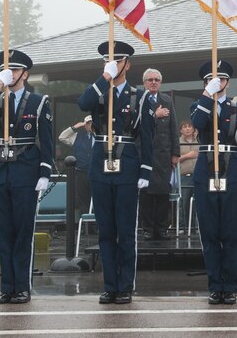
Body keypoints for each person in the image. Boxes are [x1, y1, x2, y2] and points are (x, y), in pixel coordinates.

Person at [0, 50, 54, 305]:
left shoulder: (38, 102)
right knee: (3, 233)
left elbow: (47, 141)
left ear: (25, 73)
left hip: (24, 171)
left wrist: (44, 172)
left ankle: (22, 286)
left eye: (14, 71)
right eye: (5, 71)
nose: (10, 75)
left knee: (22, 233)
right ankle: (7, 286)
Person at [78, 41, 153, 305]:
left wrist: (146, 169)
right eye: (107, 60)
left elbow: (148, 136)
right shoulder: (98, 90)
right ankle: (110, 285)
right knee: (105, 231)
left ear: (127, 64)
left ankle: (125, 286)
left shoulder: (139, 96)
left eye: (117, 60)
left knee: (125, 230)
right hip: (100, 165)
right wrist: (104, 77)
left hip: (128, 166)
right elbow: (82, 103)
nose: (111, 64)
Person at [190, 60, 237, 305]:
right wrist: (208, 94)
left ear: (227, 82)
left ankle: (230, 286)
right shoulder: (199, 105)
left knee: (230, 233)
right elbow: (197, 124)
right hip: (205, 172)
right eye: (210, 80)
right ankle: (215, 286)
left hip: (233, 172)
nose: (217, 83)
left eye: (220, 80)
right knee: (209, 233)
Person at [141, 68, 178, 240]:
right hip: (146, 155)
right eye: (150, 80)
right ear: (144, 83)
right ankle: (147, 228)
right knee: (147, 194)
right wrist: (155, 115)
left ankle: (162, 228)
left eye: (157, 79)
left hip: (164, 154)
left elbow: (173, 128)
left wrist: (175, 153)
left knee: (163, 193)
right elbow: (136, 125)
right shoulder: (139, 100)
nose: (154, 82)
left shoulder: (167, 100)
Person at [57, 115, 95, 218]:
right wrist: (75, 127)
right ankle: (85, 227)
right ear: (84, 125)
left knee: (97, 199)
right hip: (81, 172)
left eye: (92, 123)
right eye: (88, 123)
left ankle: (97, 226)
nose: (90, 125)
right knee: (83, 200)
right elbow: (62, 137)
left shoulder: (101, 136)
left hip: (96, 172)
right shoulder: (77, 136)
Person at [177, 120, 199, 231]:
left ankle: (194, 228)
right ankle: (182, 227)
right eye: (184, 127)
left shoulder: (199, 141)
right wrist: (187, 156)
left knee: (197, 202)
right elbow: (174, 159)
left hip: (197, 176)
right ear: (181, 130)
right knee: (183, 202)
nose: (187, 129)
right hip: (184, 175)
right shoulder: (177, 142)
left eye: (189, 126)